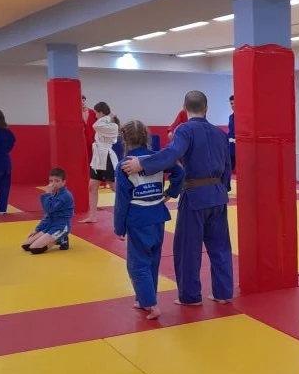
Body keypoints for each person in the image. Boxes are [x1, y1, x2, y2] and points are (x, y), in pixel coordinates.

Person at [121, 90, 233, 306]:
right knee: (220, 247)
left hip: (195, 196)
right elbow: (228, 165)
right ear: (206, 108)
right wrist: (223, 188)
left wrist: (143, 164)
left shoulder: (185, 130)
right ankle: (223, 293)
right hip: (218, 195)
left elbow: (172, 154)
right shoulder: (220, 133)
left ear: (184, 108)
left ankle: (190, 296)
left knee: (188, 248)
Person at [114, 120, 185, 321]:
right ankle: (144, 299)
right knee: (152, 260)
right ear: (146, 137)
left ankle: (151, 304)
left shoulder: (125, 165)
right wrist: (171, 192)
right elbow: (180, 172)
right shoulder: (158, 158)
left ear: (125, 140)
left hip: (138, 219)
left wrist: (119, 227)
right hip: (157, 216)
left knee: (137, 264)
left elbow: (122, 200)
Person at [79, 102, 119, 223]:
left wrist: (108, 117)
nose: (95, 116)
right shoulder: (104, 124)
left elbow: (95, 126)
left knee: (114, 187)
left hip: (107, 158)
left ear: (101, 112)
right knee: (92, 187)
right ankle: (92, 216)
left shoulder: (112, 125)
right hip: (97, 159)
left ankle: (130, 205)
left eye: (96, 113)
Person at [21, 168, 74, 253]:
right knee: (25, 246)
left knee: (34, 248)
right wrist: (37, 229)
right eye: (51, 181)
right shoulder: (54, 193)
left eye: (57, 181)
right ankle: (58, 238)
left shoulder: (65, 195)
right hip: (50, 225)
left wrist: (47, 194)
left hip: (61, 226)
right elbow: (47, 214)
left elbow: (49, 209)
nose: (53, 184)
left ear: (63, 182)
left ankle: (61, 238)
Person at [227, 95, 236, 175]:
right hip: (231, 148)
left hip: (240, 147)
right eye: (231, 103)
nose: (232, 105)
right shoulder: (230, 117)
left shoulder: (242, 117)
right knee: (229, 168)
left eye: (234, 103)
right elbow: (230, 131)